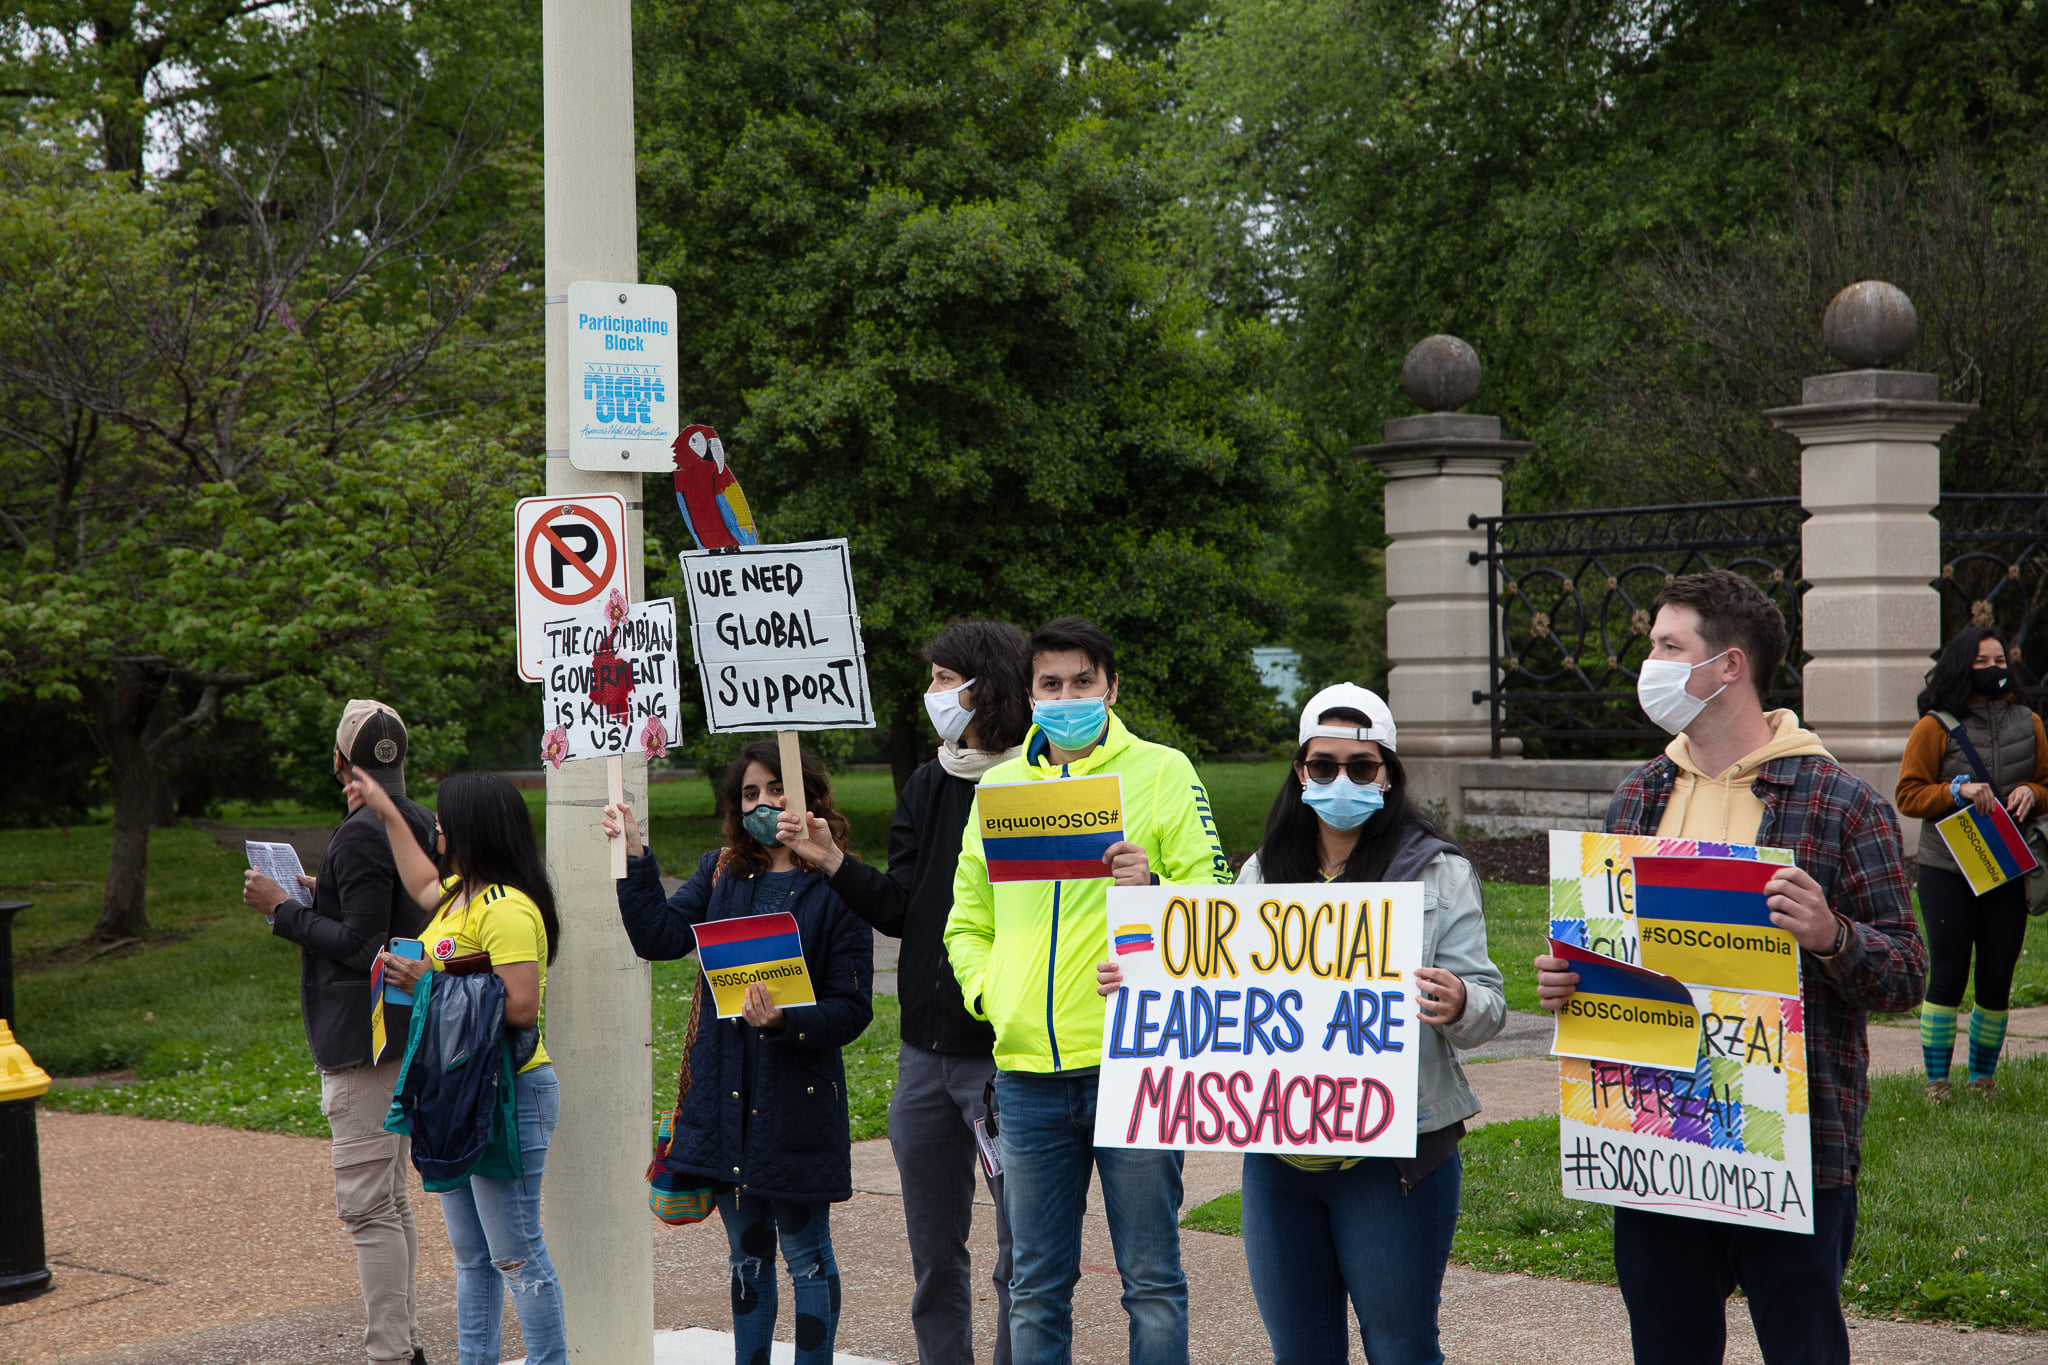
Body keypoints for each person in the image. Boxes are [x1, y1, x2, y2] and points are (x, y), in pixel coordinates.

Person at [1533, 569, 1926, 1365]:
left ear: (1729, 666)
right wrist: (1570, 981)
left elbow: (1908, 972)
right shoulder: (1637, 797)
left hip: (1790, 1147)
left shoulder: (1841, 802)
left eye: (1668, 645)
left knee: (1804, 1347)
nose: (1650, 662)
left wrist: (1830, 934)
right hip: (1655, 1138)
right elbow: (1618, 961)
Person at [1095, 683, 1504, 1365]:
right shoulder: (1262, 871)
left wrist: (1459, 1000)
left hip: (1396, 1158)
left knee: (1401, 1348)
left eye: (1361, 765)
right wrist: (1147, 983)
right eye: (1323, 764)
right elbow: (1220, 975)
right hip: (1279, 1161)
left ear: (1388, 773)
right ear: (1299, 771)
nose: (1340, 778)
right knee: (1301, 1352)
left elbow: (1488, 1003)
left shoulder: (1437, 870)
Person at [943, 616, 1233, 1365]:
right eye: (1051, 684)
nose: (1067, 696)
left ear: (1112, 686)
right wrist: (992, 993)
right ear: (1030, 693)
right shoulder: (1000, 789)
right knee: (1036, 1284)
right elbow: (966, 922)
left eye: (1082, 682)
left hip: (1134, 1063)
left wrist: (1155, 886)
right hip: (1029, 1077)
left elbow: (1221, 909)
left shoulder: (1164, 771)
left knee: (1152, 1280)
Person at [778, 620, 1030, 1365]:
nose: (932, 694)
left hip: (1009, 1060)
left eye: (945, 678)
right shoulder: (926, 782)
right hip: (925, 1056)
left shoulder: (1039, 783)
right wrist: (833, 863)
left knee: (1025, 1257)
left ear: (988, 685)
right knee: (934, 1256)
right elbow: (901, 905)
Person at [606, 741, 874, 1365]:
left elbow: (854, 1007)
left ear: (806, 795)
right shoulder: (722, 873)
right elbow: (659, 936)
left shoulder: (838, 886)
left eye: (774, 790)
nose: (762, 804)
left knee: (807, 1258)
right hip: (726, 1104)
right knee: (747, 1258)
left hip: (797, 1107)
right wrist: (636, 854)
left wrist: (788, 1019)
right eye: (748, 795)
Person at [242, 700, 435, 1365]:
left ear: (338, 762)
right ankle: (404, 1344)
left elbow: (362, 943)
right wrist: (323, 892)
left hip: (365, 1041)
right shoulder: (417, 819)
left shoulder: (358, 831)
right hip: (409, 1030)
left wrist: (282, 911)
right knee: (390, 1197)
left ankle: (391, 1353)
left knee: (366, 1206)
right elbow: (391, 910)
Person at [354, 771, 568, 1365]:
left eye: (444, 822)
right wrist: (384, 811)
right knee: (474, 1258)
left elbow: (521, 1006)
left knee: (517, 1255)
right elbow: (419, 879)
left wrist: (430, 983)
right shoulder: (456, 896)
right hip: (461, 1093)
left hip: (509, 1093)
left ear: (473, 829)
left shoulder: (507, 909)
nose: (437, 830)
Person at [1894, 625, 2047, 1102]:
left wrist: (2034, 792)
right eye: (1981, 662)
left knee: (1997, 975)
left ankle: (1983, 1081)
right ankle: (1936, 1082)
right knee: (1948, 974)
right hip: (1948, 868)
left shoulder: (2031, 722)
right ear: (1962, 667)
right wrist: (1956, 790)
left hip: (2006, 865)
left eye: (1999, 660)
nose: (1993, 669)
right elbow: (1907, 794)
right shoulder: (1934, 727)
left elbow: (2047, 782)